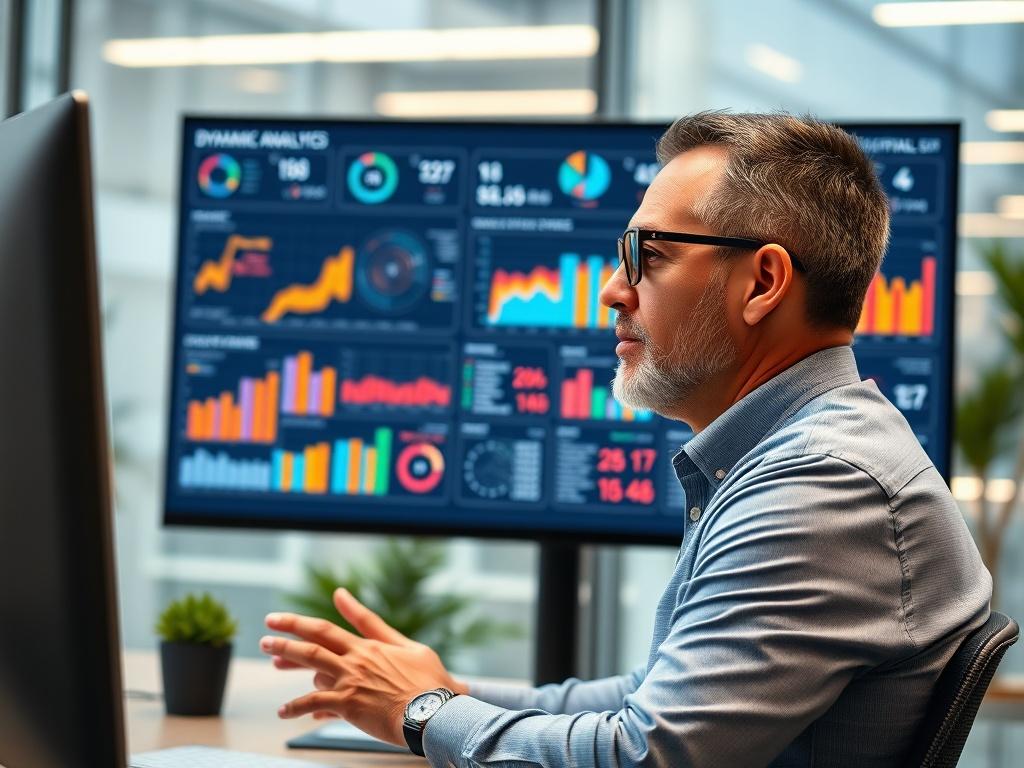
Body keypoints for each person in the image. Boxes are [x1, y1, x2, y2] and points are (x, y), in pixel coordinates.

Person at [259, 112, 991, 767]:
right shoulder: (796, 456)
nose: (612, 289)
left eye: (650, 254)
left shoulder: (821, 486)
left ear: (763, 282)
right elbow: (652, 698)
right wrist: (451, 691)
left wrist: (423, 715)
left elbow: (644, 756)